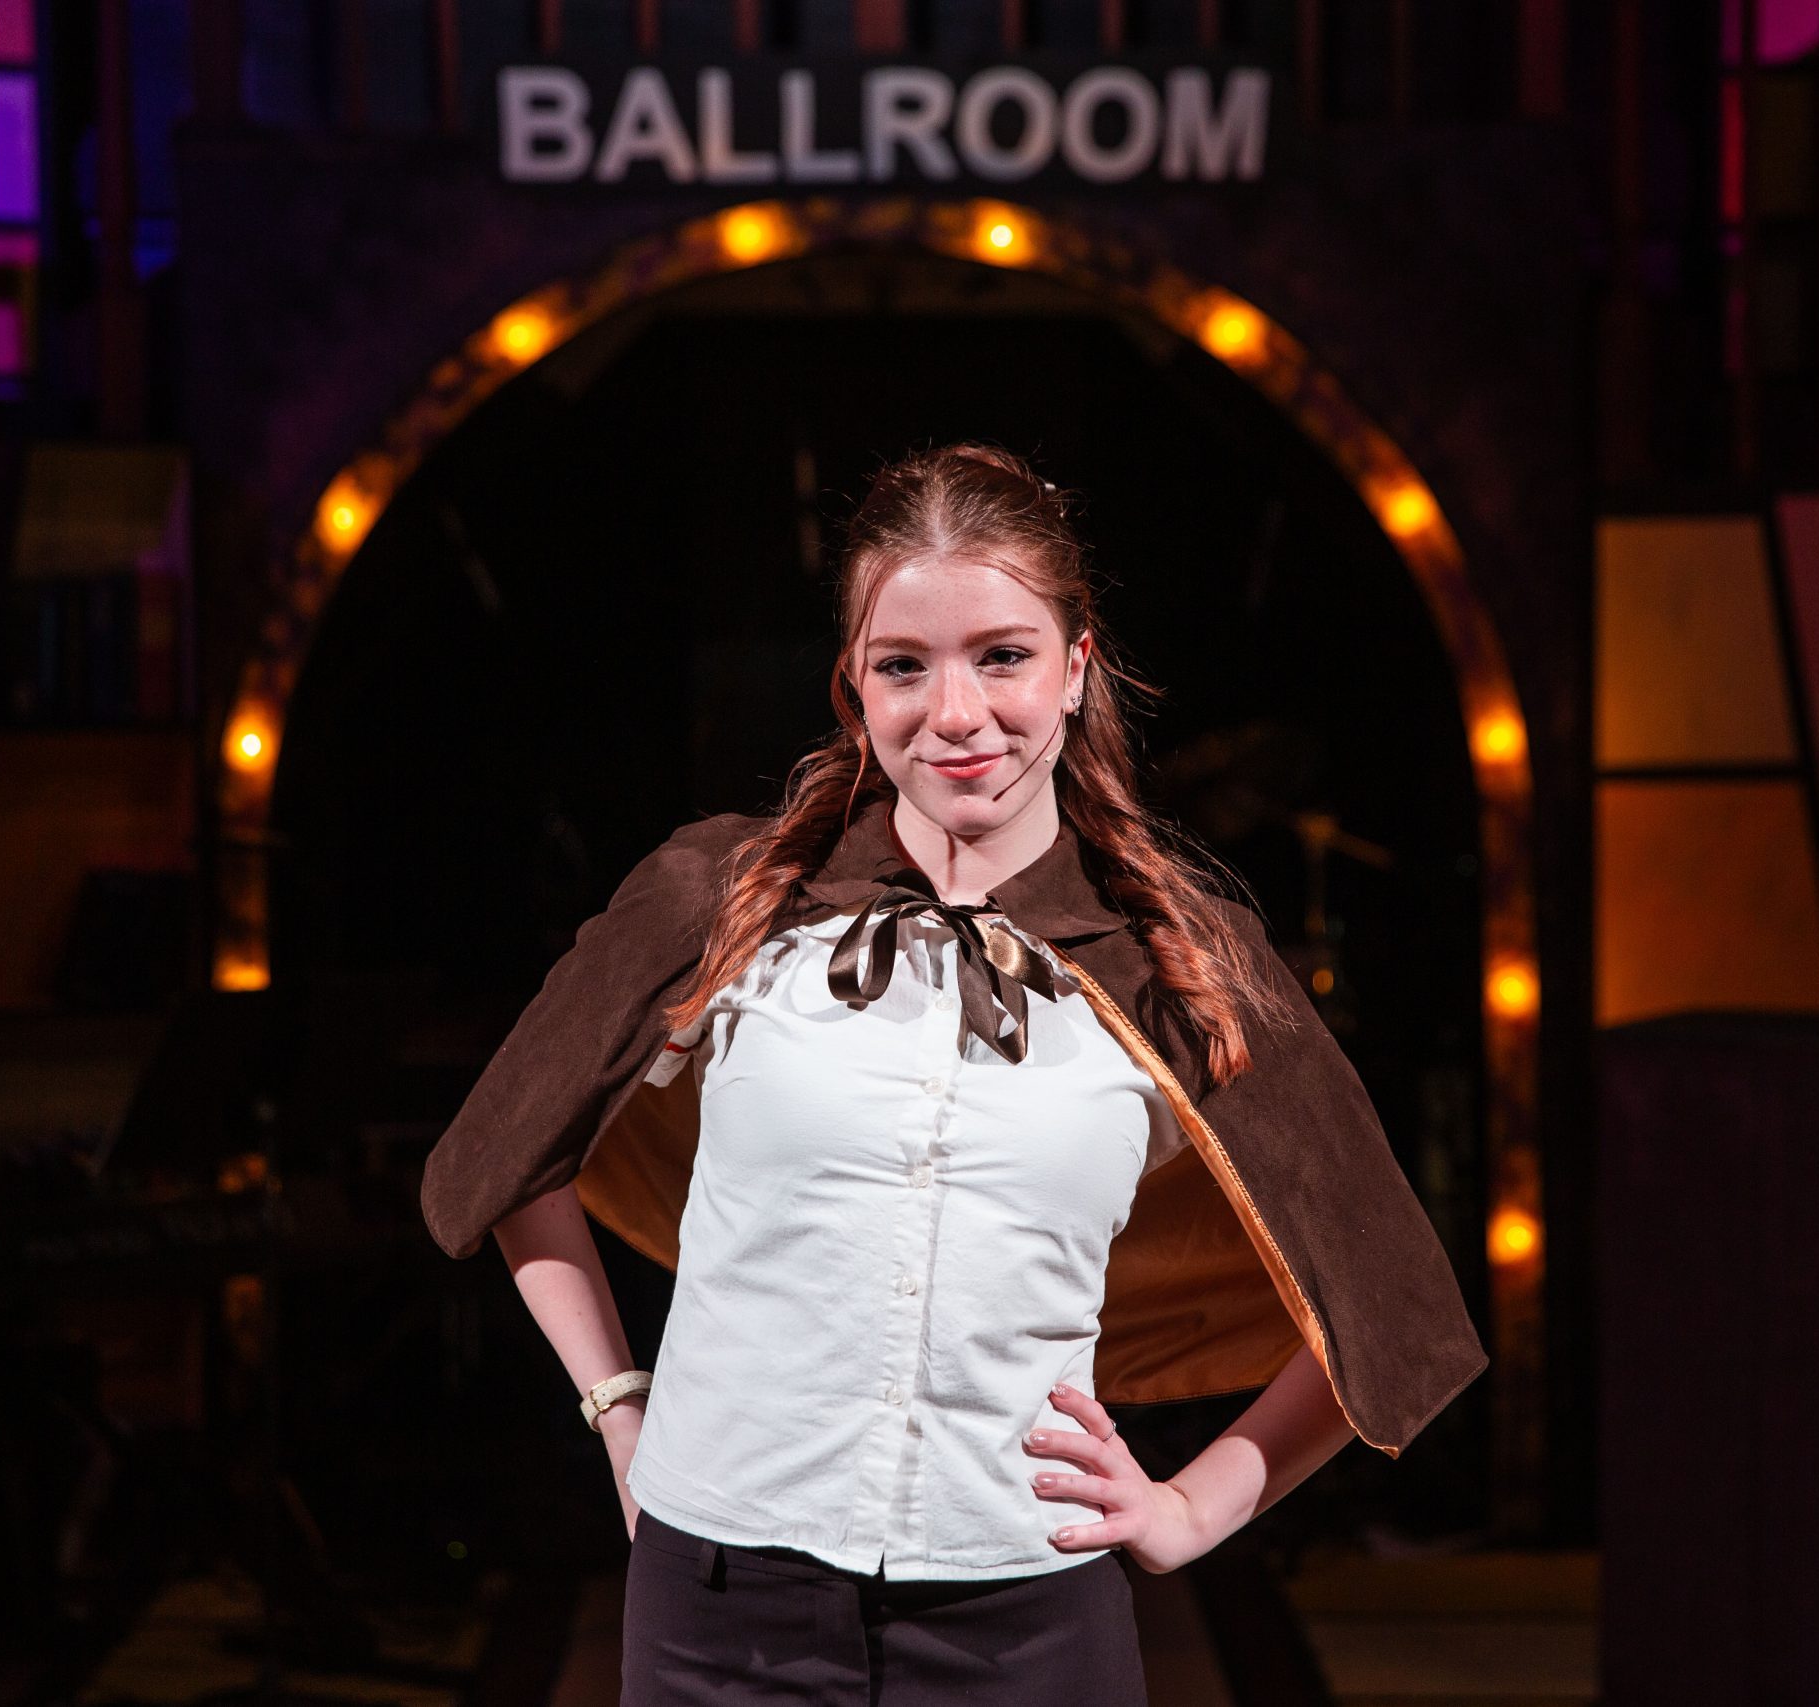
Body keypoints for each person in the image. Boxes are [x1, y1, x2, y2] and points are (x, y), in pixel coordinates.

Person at [419, 442, 1486, 1704]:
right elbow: (506, 1159)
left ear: (1075, 668)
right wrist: (619, 1410)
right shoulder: (726, 898)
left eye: (1001, 656)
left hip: (1024, 1619)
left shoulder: (1175, 959)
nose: (956, 713)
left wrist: (1191, 1509)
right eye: (903, 666)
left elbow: (1391, 1307)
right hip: (719, 1614)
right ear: (853, 686)